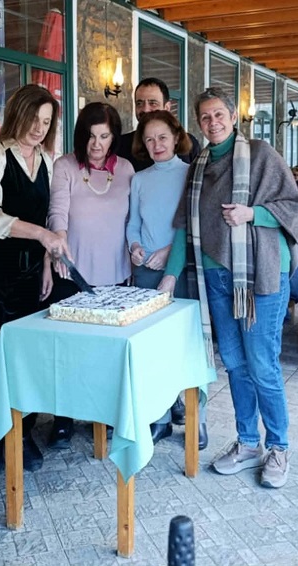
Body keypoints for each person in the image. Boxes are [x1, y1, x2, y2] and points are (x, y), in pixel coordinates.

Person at [158, 87, 298, 489]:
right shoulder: (198, 166)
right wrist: (170, 276)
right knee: (235, 364)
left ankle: (278, 446)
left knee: (261, 363)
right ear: (199, 122)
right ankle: (247, 442)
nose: (213, 122)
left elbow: (293, 208)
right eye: (205, 117)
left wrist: (252, 213)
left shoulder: (261, 155)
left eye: (219, 115)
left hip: (260, 275)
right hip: (216, 278)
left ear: (232, 116)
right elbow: (184, 225)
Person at [0, 84, 68, 475]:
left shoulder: (45, 159)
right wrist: (42, 235)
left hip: (29, 274)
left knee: (26, 356)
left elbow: (46, 218)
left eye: (47, 121)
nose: (39, 128)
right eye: (34, 119)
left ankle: (22, 433)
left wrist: (46, 262)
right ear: (18, 115)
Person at [46, 102, 136, 448]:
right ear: (80, 135)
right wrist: (59, 240)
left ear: (114, 137)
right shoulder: (65, 166)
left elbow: (133, 220)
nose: (96, 144)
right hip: (73, 273)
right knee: (67, 351)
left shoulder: (126, 169)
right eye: (90, 136)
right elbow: (57, 211)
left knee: (106, 353)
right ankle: (63, 419)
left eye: (104, 136)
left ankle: (105, 414)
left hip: (115, 274)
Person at [125, 109, 207, 448]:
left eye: (162, 137)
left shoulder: (192, 174)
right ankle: (159, 418)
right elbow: (133, 223)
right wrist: (134, 246)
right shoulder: (139, 179)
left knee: (190, 346)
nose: (156, 144)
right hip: (146, 272)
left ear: (176, 137)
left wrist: (169, 251)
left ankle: (198, 419)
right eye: (149, 139)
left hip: (183, 270)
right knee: (153, 348)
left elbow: (195, 227)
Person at [115, 77, 201, 172]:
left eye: (153, 103)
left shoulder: (189, 144)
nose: (145, 109)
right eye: (139, 103)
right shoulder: (120, 145)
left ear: (167, 107)